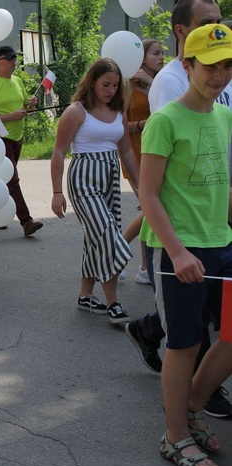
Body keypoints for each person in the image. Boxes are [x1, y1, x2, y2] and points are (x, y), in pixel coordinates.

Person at [128, 0, 232, 418]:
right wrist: (176, 251)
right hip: (179, 250)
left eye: (227, 66)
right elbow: (149, 195)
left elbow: (223, 186)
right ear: (187, 65)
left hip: (220, 242)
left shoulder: (225, 118)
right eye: (209, 66)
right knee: (185, 344)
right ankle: (176, 433)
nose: (219, 75)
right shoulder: (166, 120)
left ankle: (192, 404)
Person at [50, 58, 139, 325]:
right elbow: (58, 152)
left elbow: (127, 153)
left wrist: (141, 190)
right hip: (83, 180)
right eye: (105, 84)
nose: (111, 90)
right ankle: (113, 302)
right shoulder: (76, 111)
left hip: (110, 179)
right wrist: (56, 192)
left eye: (115, 85)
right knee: (107, 236)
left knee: (95, 238)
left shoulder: (119, 113)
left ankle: (85, 295)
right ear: (92, 82)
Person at [0, 46, 44, 238]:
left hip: (18, 137)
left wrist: (31, 105)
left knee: (2, 180)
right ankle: (26, 221)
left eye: (15, 58)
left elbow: (24, 107)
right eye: (10, 58)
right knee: (12, 179)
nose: (14, 61)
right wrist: (10, 116)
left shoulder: (17, 81)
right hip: (1, 137)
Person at [122, 39, 164, 285]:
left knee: (154, 209)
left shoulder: (165, 81)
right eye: (155, 53)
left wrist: (151, 83)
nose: (161, 58)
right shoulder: (128, 87)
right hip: (137, 154)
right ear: (142, 58)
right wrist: (140, 124)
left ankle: (144, 266)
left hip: (160, 151)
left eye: (162, 53)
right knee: (151, 209)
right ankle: (128, 256)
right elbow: (118, 126)